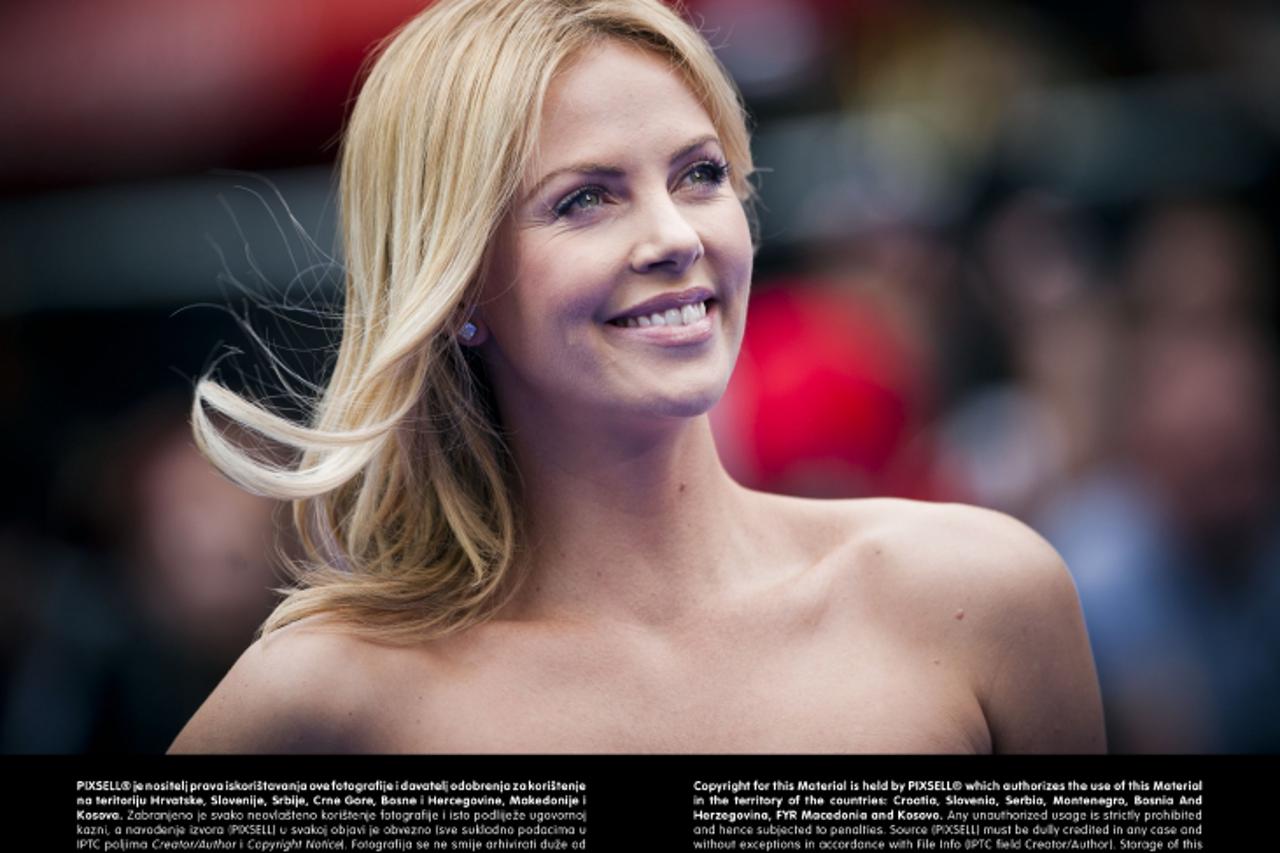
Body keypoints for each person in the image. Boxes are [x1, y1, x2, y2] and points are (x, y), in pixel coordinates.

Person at [170, 0, 1103, 754]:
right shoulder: (332, 692)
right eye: (585, 199)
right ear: (456, 283)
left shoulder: (982, 594)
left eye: (699, 175)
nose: (675, 236)